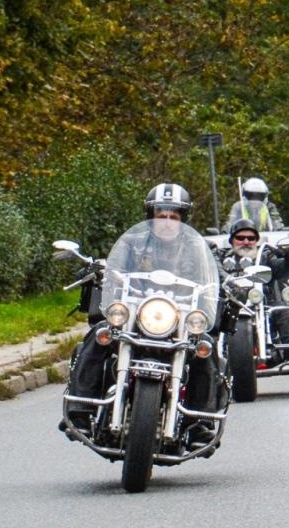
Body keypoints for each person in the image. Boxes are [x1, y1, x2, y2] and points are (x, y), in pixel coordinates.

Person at [64, 183, 222, 443]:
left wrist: (229, 284)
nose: (168, 222)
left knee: (205, 347)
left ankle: (198, 423)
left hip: (179, 318)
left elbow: (215, 272)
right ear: (151, 216)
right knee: (100, 334)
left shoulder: (197, 245)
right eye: (162, 215)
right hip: (137, 315)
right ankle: (80, 411)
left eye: (174, 216)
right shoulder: (132, 242)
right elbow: (114, 265)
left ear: (183, 218)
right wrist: (99, 270)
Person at [226, 217, 289, 352]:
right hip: (232, 308)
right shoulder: (223, 259)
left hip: (263, 306)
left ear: (256, 240)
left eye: (251, 238)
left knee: (282, 309)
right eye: (240, 238)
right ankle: (221, 354)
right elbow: (214, 275)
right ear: (232, 241)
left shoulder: (265, 257)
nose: (246, 242)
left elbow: (282, 269)